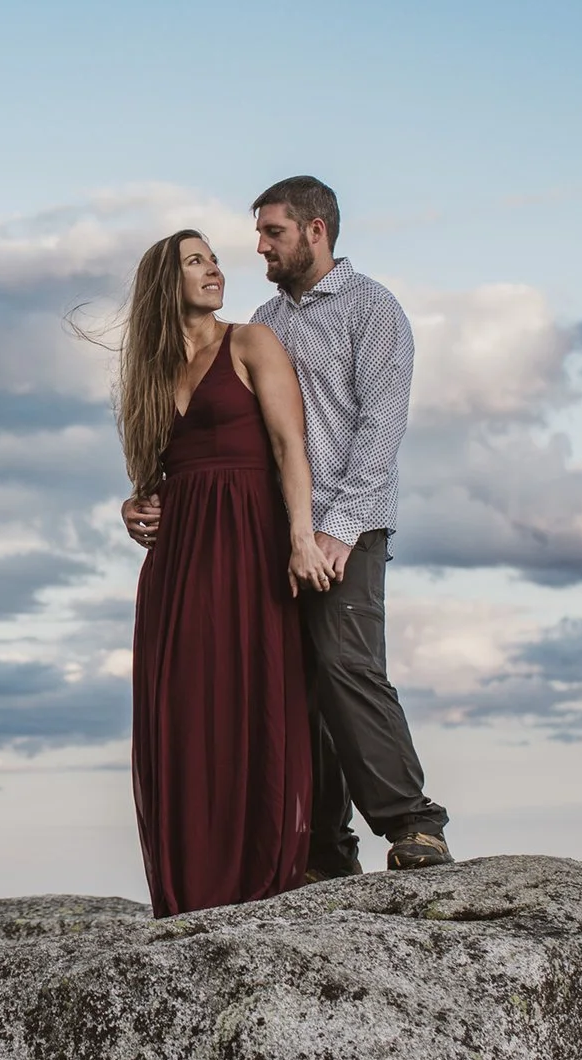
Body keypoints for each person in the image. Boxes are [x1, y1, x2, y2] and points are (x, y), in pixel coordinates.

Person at [122, 177, 453, 877]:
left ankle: (412, 822)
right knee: (292, 686)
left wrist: (336, 530)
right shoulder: (268, 317)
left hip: (345, 524)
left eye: (272, 231)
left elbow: (379, 429)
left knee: (344, 664)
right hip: (267, 533)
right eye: (258, 233)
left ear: (315, 231)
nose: (259, 246)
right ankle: (326, 849)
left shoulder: (372, 309)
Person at [117, 228, 336, 917]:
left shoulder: (250, 344)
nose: (215, 269)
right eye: (196, 261)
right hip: (178, 566)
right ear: (165, 283)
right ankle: (189, 894)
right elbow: (150, 475)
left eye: (213, 259)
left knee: (255, 698)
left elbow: (288, 444)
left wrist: (302, 537)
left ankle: (262, 879)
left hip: (249, 544)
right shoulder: (148, 375)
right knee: (180, 714)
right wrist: (133, 504)